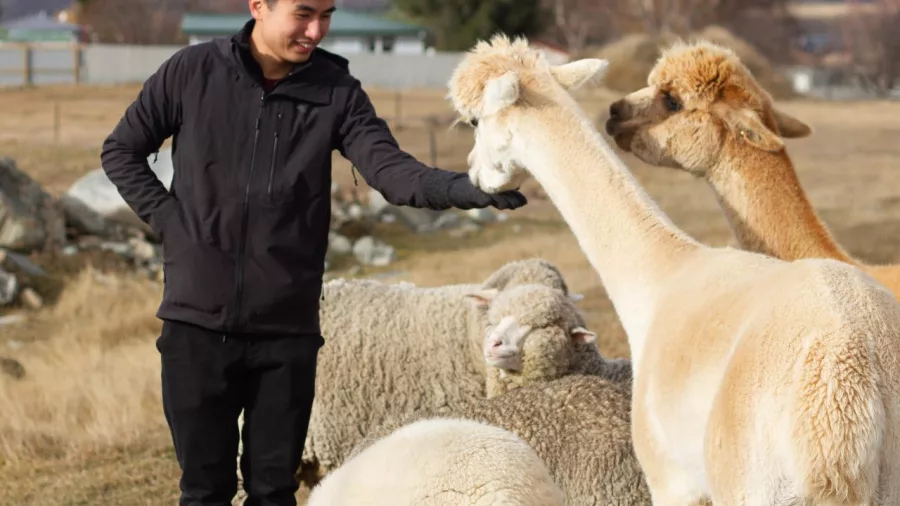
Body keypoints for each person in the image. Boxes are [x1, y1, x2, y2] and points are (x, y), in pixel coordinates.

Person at [100, 0, 527, 504]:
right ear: (258, 5)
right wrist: (175, 225)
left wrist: (474, 187)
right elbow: (120, 151)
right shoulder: (191, 71)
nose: (316, 30)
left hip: (286, 332)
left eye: (326, 15)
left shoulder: (337, 92)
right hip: (195, 324)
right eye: (303, 14)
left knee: (273, 490)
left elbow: (391, 173)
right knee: (204, 491)